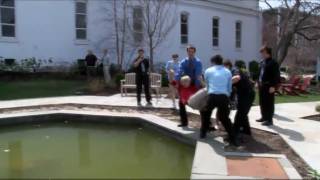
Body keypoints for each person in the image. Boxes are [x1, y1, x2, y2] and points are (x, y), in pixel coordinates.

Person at [201, 55, 237, 146]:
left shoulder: (208, 71)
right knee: (224, 118)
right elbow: (229, 87)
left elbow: (207, 85)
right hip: (223, 97)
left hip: (212, 96)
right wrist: (227, 96)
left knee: (206, 114)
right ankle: (233, 138)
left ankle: (203, 133)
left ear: (213, 62)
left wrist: (210, 93)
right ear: (221, 62)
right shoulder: (228, 71)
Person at [175, 45, 203, 127]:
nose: (190, 53)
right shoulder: (183, 62)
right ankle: (184, 122)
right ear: (187, 52)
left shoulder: (198, 62)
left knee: (200, 104)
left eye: (192, 51)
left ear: (194, 52)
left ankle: (207, 124)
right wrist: (176, 81)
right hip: (186, 84)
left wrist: (197, 88)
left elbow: (198, 74)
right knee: (181, 103)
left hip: (195, 83)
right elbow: (179, 71)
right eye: (189, 51)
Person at [256, 46, 280, 126]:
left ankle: (269, 120)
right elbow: (259, 74)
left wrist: (273, 86)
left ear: (267, 52)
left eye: (263, 52)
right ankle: (264, 117)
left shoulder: (273, 63)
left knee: (269, 103)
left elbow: (276, 76)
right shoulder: (262, 62)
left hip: (269, 86)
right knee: (262, 102)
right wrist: (257, 82)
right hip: (261, 85)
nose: (262, 54)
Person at [231, 62, 255, 137]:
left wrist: (228, 82)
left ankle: (234, 132)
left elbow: (237, 78)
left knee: (240, 114)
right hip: (246, 94)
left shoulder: (235, 71)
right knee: (243, 113)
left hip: (247, 95)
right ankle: (246, 130)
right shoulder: (236, 71)